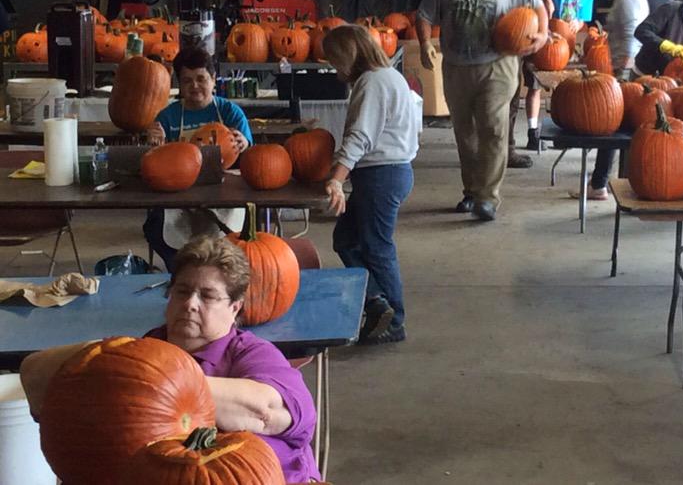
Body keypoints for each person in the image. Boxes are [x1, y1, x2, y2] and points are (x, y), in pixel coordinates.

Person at [20, 235, 320, 483]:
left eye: (208, 296)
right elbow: (34, 375)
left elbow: (269, 410)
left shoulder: (252, 353)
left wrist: (152, 387)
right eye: (183, 291)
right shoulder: (144, 349)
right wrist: (111, 357)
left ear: (234, 308)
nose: (190, 304)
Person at [416, 0, 547, 222]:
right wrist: (424, 43)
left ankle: (488, 198)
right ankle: (471, 191)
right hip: (457, 67)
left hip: (497, 64)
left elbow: (536, 4)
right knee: (466, 134)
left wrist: (541, 34)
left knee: (493, 127)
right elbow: (424, 14)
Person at [322, 25, 418, 345]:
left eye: (335, 61)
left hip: (381, 174)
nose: (335, 69)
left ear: (349, 55)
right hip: (392, 171)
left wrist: (336, 180)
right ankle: (377, 302)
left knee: (377, 247)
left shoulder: (372, 81)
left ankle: (395, 320)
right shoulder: (391, 77)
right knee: (347, 239)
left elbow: (361, 137)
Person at [143, 46, 253, 271]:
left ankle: (220, 273)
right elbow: (156, 163)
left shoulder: (231, 113)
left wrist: (245, 144)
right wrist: (156, 146)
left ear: (213, 80)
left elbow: (251, 158)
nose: (195, 86)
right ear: (179, 84)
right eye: (187, 81)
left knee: (240, 236)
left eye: (201, 79)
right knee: (154, 228)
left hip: (224, 194)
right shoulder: (167, 116)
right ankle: (182, 271)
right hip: (180, 196)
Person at [572, 0, 650, 200]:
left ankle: (599, 183)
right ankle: (607, 181)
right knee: (618, 127)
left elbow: (630, 33)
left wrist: (623, 67)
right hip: (629, 64)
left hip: (626, 67)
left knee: (612, 126)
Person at [512, 0, 555, 162]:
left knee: (532, 85)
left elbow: (547, 8)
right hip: (510, 42)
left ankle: (531, 133)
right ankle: (506, 147)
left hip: (529, 42)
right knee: (509, 95)